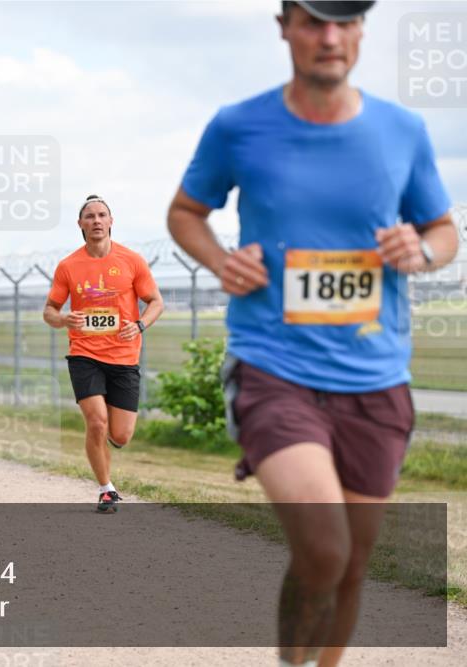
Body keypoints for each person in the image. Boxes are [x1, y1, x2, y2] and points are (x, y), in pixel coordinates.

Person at [166, 2, 459, 665]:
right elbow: (186, 212)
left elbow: (443, 228)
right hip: (274, 368)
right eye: (313, 20)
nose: (330, 36)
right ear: (285, 27)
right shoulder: (238, 126)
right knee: (325, 548)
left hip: (375, 379)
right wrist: (220, 260)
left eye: (345, 21)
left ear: (361, 30)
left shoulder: (403, 130)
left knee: (352, 564)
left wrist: (422, 250)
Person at [44, 195, 164, 513]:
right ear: (80, 224)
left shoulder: (131, 260)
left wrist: (140, 325)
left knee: (120, 435)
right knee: (97, 422)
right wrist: (63, 319)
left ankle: (109, 439)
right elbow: (49, 311)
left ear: (111, 222)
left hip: (124, 356)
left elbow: (156, 302)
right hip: (84, 353)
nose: (96, 220)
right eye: (90, 216)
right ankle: (106, 489)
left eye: (101, 215)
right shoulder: (68, 266)